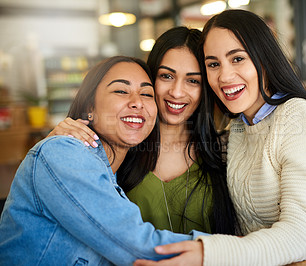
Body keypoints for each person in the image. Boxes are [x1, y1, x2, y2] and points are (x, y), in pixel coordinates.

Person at [48, 26, 306, 236]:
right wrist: (57, 139)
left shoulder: (227, 149)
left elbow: (266, 203)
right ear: (149, 79)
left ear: (206, 88)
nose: (177, 92)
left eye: (193, 80)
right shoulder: (119, 146)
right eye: (166, 76)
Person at [134, 9, 306, 266]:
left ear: (264, 58)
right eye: (213, 64)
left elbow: (299, 236)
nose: (224, 76)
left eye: (237, 59)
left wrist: (208, 253)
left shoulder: (299, 117)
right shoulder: (238, 129)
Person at [0, 56, 207, 265]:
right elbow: (137, 245)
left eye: (146, 94)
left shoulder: (117, 173)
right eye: (121, 91)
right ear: (90, 106)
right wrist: (228, 250)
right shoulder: (64, 152)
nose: (137, 102)